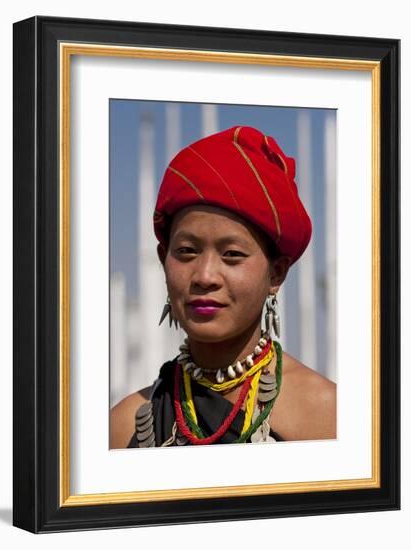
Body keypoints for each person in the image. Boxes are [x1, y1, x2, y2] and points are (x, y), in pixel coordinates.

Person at [110, 125, 336, 448]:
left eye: (232, 255)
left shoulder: (328, 417)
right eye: (186, 251)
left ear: (276, 274)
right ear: (163, 259)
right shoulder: (121, 428)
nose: (204, 275)